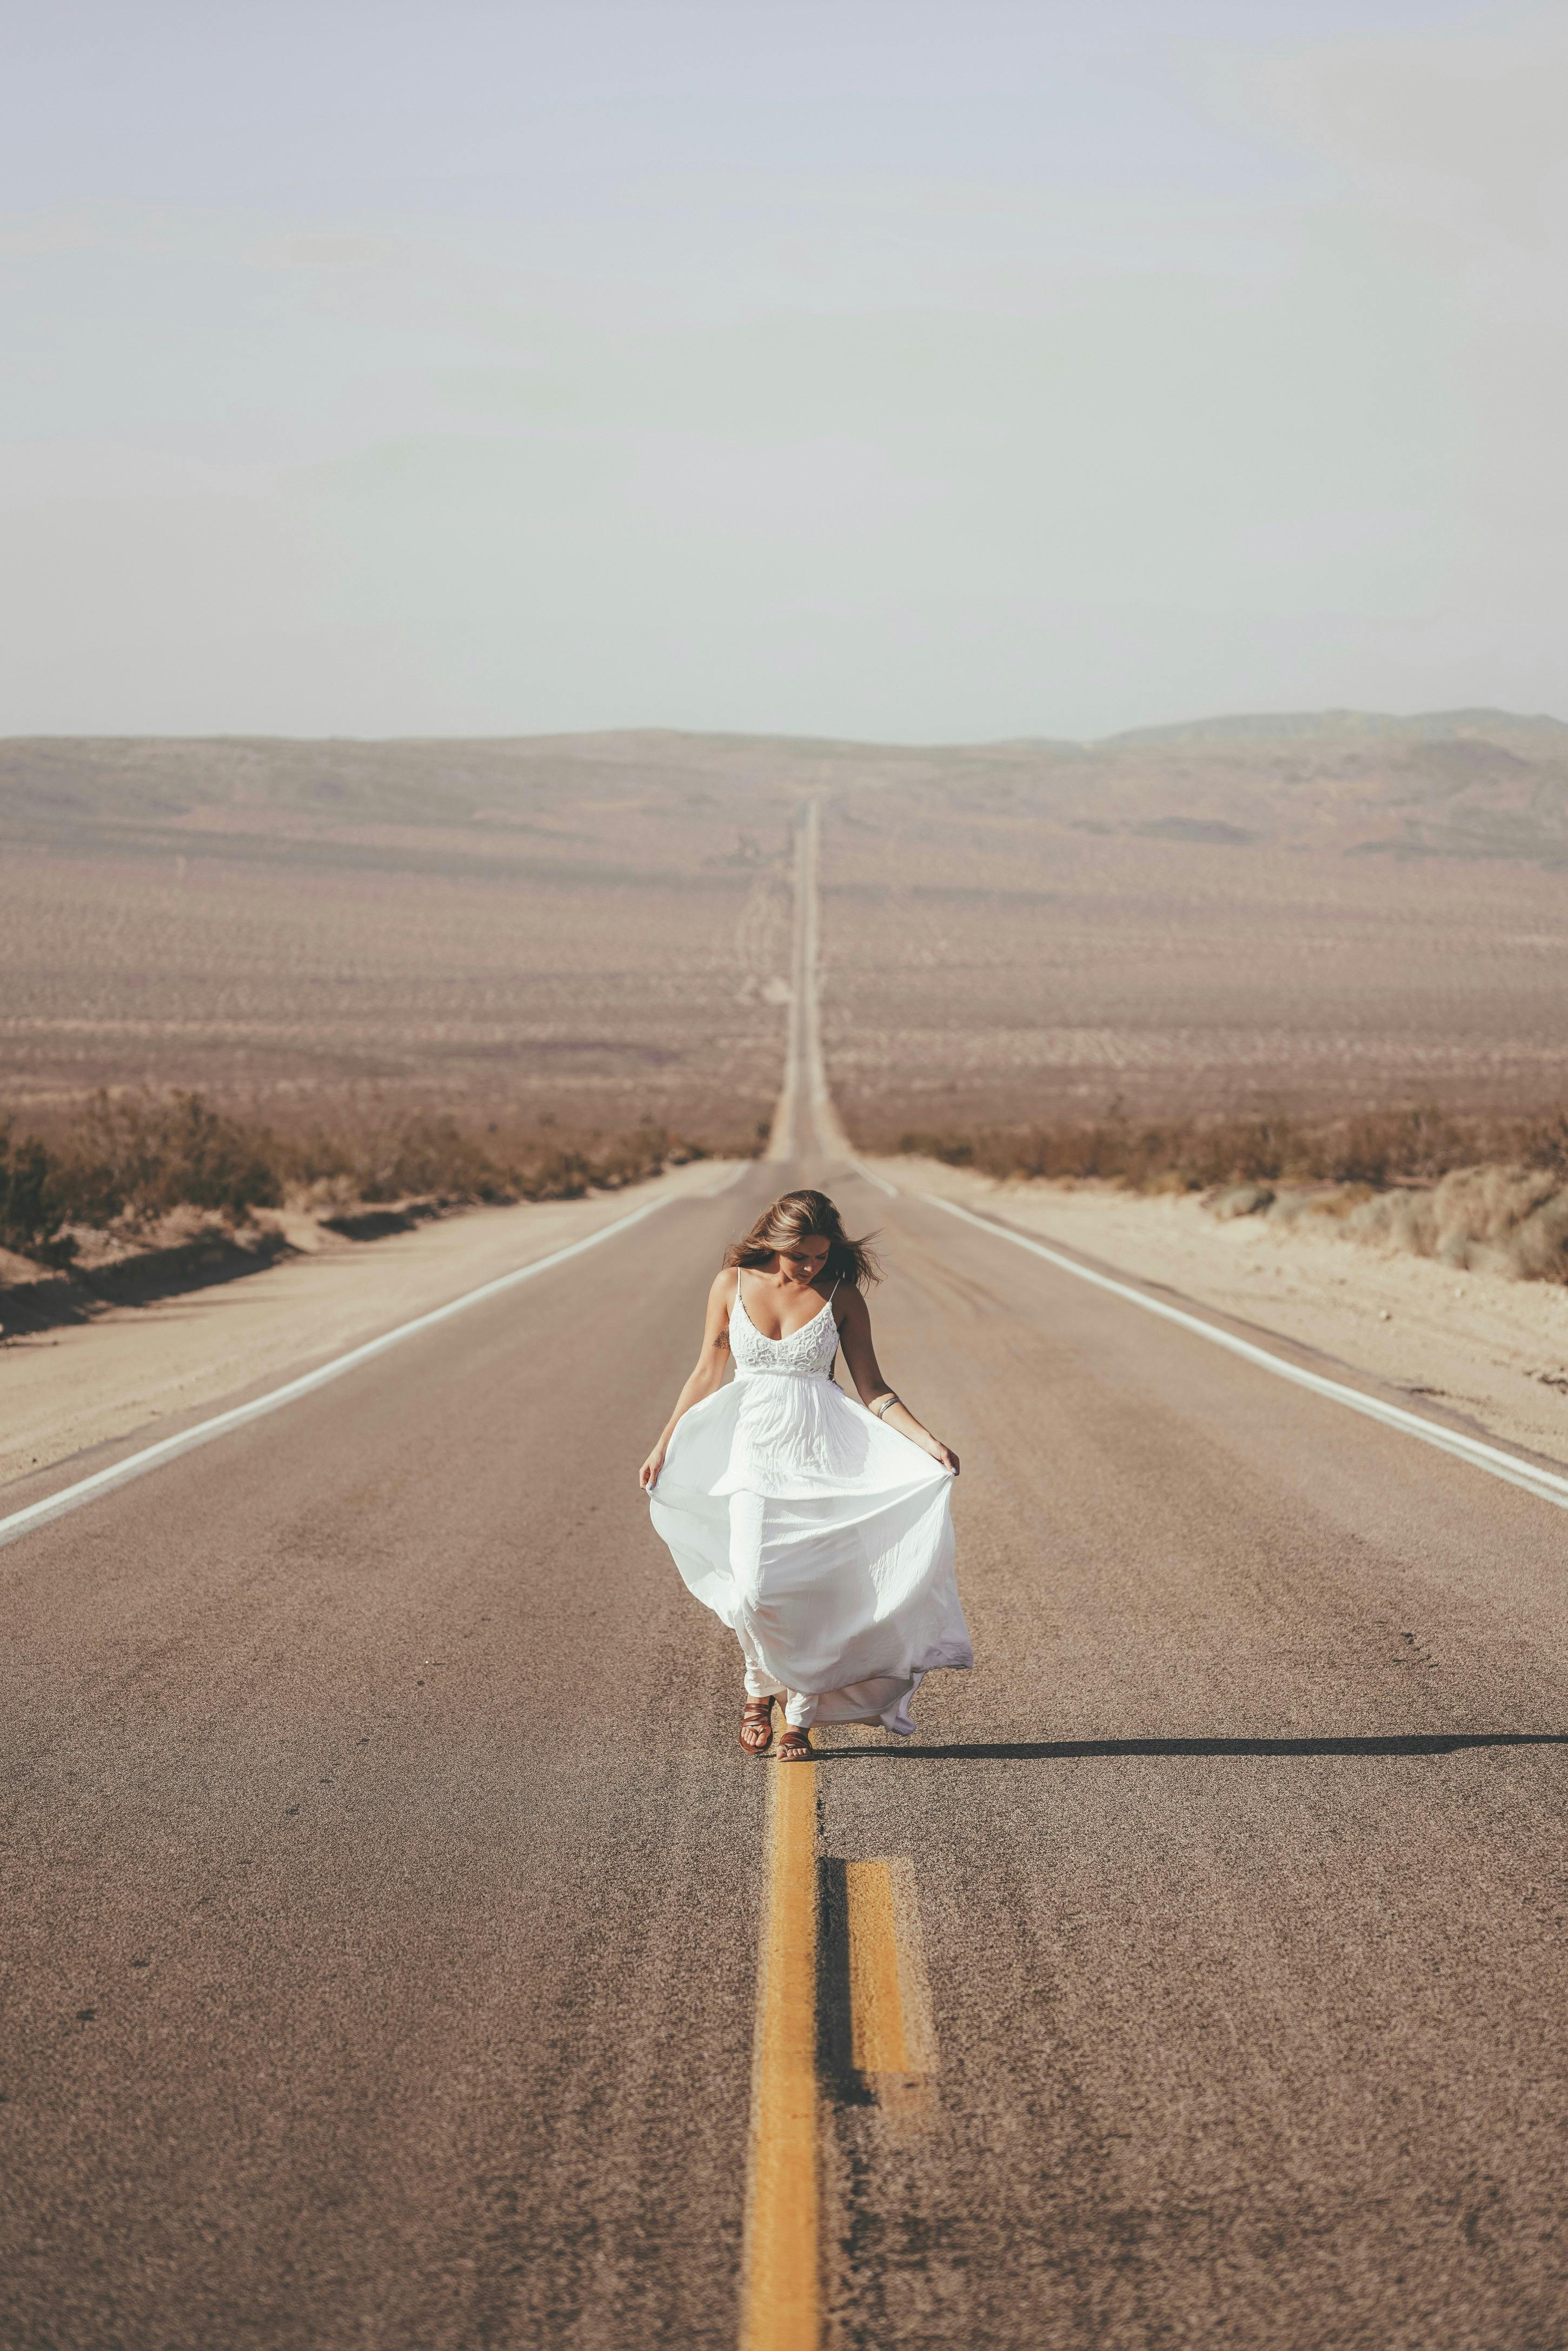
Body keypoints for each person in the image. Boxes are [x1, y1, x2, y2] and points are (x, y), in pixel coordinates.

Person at [639, 1188, 972, 1758]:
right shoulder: (731, 1283)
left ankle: (798, 1713)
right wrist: (664, 1442)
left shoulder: (841, 1296)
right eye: (802, 1257)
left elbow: (873, 1387)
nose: (812, 1266)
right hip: (748, 1455)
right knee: (752, 1588)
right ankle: (756, 1688)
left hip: (819, 1457)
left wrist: (927, 1441)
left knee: (813, 1591)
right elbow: (705, 1372)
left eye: (820, 1256)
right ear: (774, 1242)